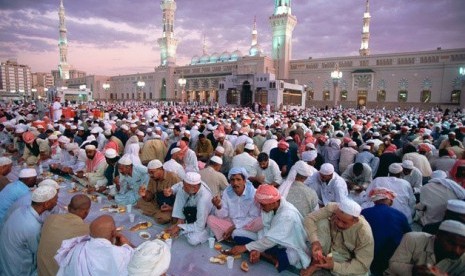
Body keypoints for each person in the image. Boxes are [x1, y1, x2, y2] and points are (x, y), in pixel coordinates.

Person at [226, 185, 311, 273]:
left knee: (292, 257)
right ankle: (267, 255)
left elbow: (270, 240)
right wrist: (257, 248)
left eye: (262, 205)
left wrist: (245, 247)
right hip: (271, 241)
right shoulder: (271, 207)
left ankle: (267, 256)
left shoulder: (287, 215)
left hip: (289, 246)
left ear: (273, 203)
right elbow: (266, 230)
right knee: (236, 233)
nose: (261, 207)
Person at [302, 199, 374, 276]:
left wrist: (334, 266)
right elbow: (309, 218)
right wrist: (315, 242)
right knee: (321, 222)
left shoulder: (364, 232)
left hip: (346, 258)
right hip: (327, 248)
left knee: (362, 273)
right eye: (338, 218)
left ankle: (324, 263)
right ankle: (317, 260)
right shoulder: (333, 208)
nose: (339, 224)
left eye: (344, 222)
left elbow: (362, 265)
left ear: (355, 221)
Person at [0, 186, 58, 275]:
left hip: (5, 261)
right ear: (46, 204)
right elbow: (38, 253)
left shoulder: (21, 210)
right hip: (17, 269)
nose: (56, 202)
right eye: (55, 200)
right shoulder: (33, 227)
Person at [55, 215, 134, 276]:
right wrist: (126, 245)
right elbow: (133, 259)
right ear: (113, 233)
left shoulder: (76, 248)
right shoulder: (119, 253)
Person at [37, 195, 91, 276]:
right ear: (86, 212)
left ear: (68, 208)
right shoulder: (87, 230)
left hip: (41, 271)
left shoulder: (51, 219)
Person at [361, 188, 411, 276]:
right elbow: (408, 236)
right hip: (390, 257)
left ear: (375, 201)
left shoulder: (363, 213)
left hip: (366, 255)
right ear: (389, 200)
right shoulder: (400, 215)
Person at [388, 220, 465, 276]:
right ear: (438, 236)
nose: (456, 251)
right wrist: (413, 270)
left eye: (463, 247)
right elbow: (393, 265)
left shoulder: (463, 260)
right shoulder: (413, 239)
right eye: (451, 243)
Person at [207, 167, 262, 244]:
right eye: (232, 180)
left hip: (247, 225)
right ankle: (232, 236)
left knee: (260, 221)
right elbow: (223, 215)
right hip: (231, 222)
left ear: (244, 181)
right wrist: (218, 206)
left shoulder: (253, 193)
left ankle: (232, 235)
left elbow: (253, 216)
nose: (235, 183)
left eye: (238, 179)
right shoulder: (227, 192)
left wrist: (234, 227)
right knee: (210, 219)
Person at [165, 172, 213, 245]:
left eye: (185, 186)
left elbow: (199, 226)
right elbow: (179, 185)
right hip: (191, 214)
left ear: (194, 187)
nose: (183, 187)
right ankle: (180, 222)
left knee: (192, 240)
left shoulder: (203, 199)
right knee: (181, 191)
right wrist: (171, 190)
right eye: (184, 185)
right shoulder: (188, 186)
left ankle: (208, 233)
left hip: (204, 222)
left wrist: (179, 227)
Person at [137, 159, 181, 224]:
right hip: (157, 203)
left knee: (162, 219)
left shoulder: (173, 177)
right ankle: (158, 213)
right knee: (140, 202)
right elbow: (151, 196)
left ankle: (160, 214)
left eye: (152, 172)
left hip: (170, 206)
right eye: (149, 173)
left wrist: (171, 208)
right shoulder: (153, 178)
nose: (150, 175)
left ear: (161, 169)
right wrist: (145, 194)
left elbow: (181, 198)